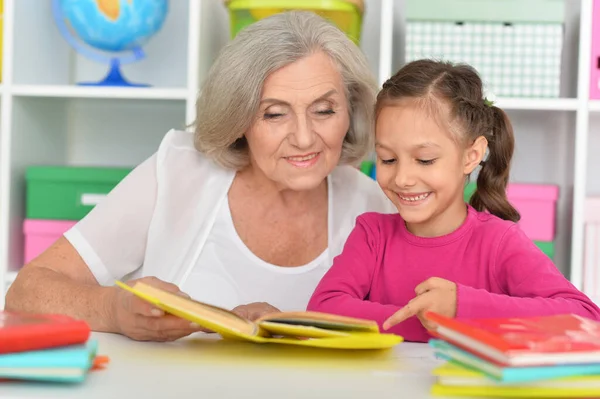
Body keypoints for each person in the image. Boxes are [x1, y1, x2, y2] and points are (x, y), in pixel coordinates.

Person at [5, 11, 395, 342]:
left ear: (352, 111)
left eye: (324, 110)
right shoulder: (177, 172)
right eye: (274, 114)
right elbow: (27, 291)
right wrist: (115, 310)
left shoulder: (373, 203)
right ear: (238, 119)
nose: (305, 137)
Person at [306, 59, 600, 342]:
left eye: (425, 160)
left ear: (471, 156)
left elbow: (585, 317)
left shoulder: (498, 242)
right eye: (388, 158)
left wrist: (463, 307)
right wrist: (436, 324)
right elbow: (324, 308)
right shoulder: (373, 235)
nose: (402, 178)